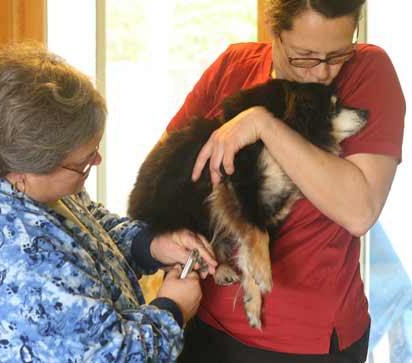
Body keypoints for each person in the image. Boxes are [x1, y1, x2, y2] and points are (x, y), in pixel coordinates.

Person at [0, 44, 217, 362]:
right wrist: (172, 310)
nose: (97, 160)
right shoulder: (11, 257)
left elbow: (80, 222)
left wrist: (149, 244)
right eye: (84, 162)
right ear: (25, 170)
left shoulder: (0, 169)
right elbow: (108, 356)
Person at [166, 1, 405, 362]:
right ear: (274, 33)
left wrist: (262, 125)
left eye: (338, 53)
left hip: (304, 340)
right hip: (205, 317)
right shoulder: (235, 65)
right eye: (304, 56)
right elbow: (170, 165)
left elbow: (360, 210)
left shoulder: (368, 72)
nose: (323, 73)